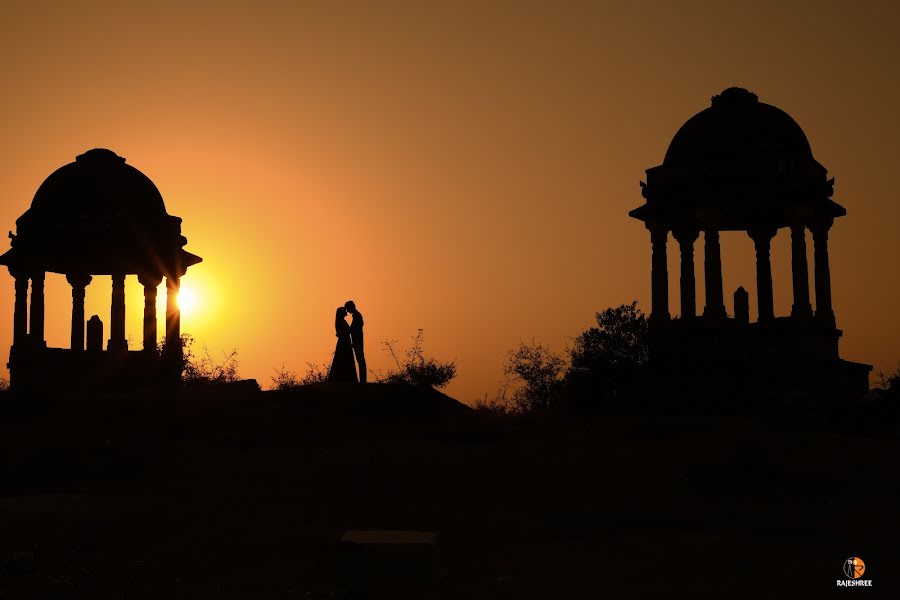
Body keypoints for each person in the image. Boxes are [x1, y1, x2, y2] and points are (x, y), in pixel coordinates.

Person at [327, 306, 358, 382]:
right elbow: (344, 331)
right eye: (344, 311)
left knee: (344, 360)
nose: (346, 312)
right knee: (343, 359)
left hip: (345, 342)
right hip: (344, 343)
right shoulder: (341, 322)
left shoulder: (342, 321)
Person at [344, 300, 366, 383]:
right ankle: (362, 380)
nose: (347, 311)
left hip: (358, 341)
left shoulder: (357, 315)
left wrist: (347, 329)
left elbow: (354, 328)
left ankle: (363, 381)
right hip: (357, 341)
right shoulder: (356, 315)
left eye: (347, 308)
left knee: (360, 360)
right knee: (360, 360)